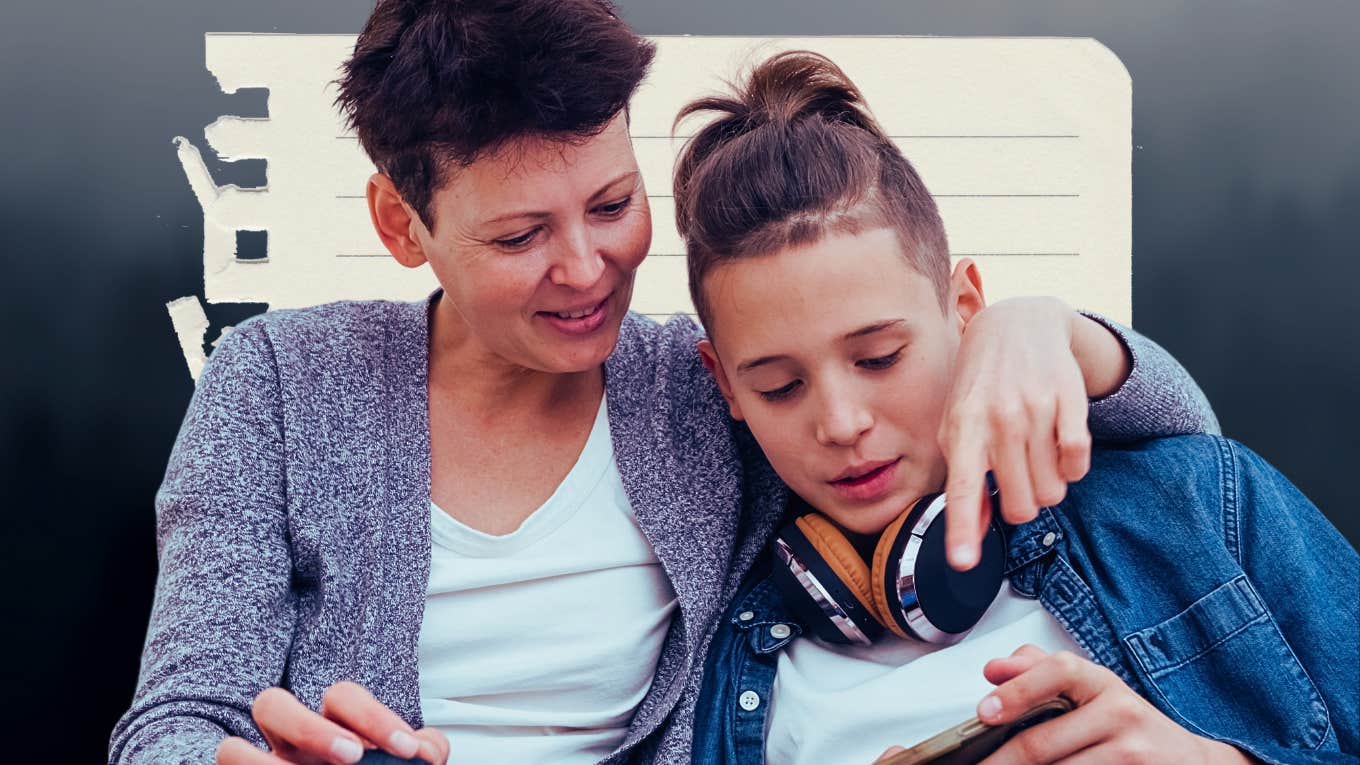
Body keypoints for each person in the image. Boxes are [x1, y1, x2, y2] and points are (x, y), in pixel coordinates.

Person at [106, 4, 1221, 765]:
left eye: (609, 204)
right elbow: (172, 717)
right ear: (403, 225)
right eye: (518, 236)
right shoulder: (280, 386)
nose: (587, 270)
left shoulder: (721, 384)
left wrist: (1049, 330)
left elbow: (1187, 444)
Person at [675, 51, 1359, 765]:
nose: (842, 423)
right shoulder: (721, 673)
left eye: (880, 358)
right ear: (724, 385)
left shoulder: (1200, 502)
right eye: (780, 386)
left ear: (965, 307)